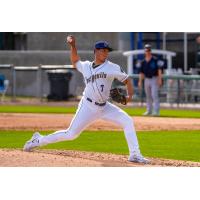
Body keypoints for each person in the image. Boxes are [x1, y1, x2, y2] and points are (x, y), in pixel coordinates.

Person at [23, 36, 149, 164]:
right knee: (71, 134)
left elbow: (127, 79)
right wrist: (73, 46)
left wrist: (129, 97)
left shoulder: (112, 67)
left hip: (105, 107)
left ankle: (134, 154)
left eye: (107, 51)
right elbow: (75, 61)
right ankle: (38, 140)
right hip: (87, 106)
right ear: (96, 51)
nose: (106, 53)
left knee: (127, 121)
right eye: (103, 50)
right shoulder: (86, 66)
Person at [138, 44, 164, 116]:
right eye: (146, 50)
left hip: (154, 79)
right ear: (145, 51)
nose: (148, 51)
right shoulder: (143, 61)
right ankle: (149, 110)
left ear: (150, 51)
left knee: (154, 95)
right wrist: (140, 81)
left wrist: (160, 79)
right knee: (148, 96)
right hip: (146, 79)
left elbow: (159, 70)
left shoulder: (155, 60)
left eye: (149, 50)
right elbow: (141, 72)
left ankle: (156, 111)